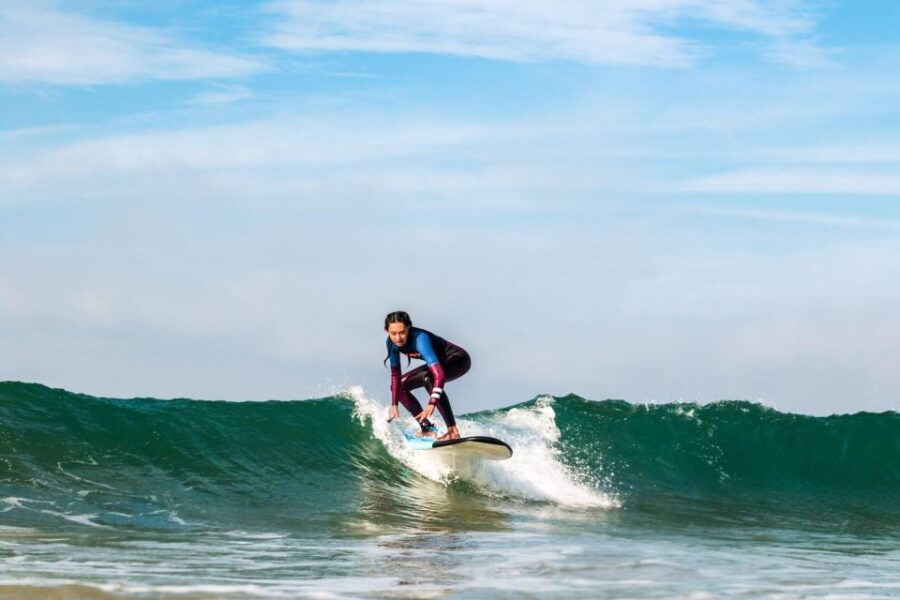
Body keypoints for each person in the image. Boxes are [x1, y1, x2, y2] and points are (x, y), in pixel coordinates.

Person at [384, 311, 471, 441]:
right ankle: (428, 428)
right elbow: (395, 375)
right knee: (399, 386)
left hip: (458, 360)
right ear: (387, 331)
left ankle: (452, 430)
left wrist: (432, 403)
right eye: (393, 333)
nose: (398, 338)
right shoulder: (392, 344)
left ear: (408, 328)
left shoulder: (420, 339)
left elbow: (439, 376)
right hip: (440, 364)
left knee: (429, 378)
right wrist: (394, 404)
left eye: (402, 332)